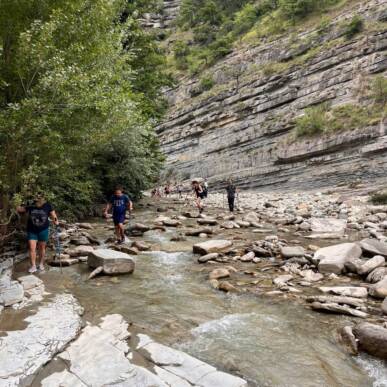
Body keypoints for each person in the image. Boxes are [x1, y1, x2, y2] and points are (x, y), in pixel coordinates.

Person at [17, 193, 59, 273]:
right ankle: (33, 266)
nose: (38, 199)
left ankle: (41, 264)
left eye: (40, 197)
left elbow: (54, 216)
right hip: (32, 230)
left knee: (42, 248)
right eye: (37, 197)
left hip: (43, 230)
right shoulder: (31, 205)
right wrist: (17, 203)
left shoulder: (48, 205)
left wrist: (56, 221)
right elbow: (20, 209)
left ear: (43, 198)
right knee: (32, 248)